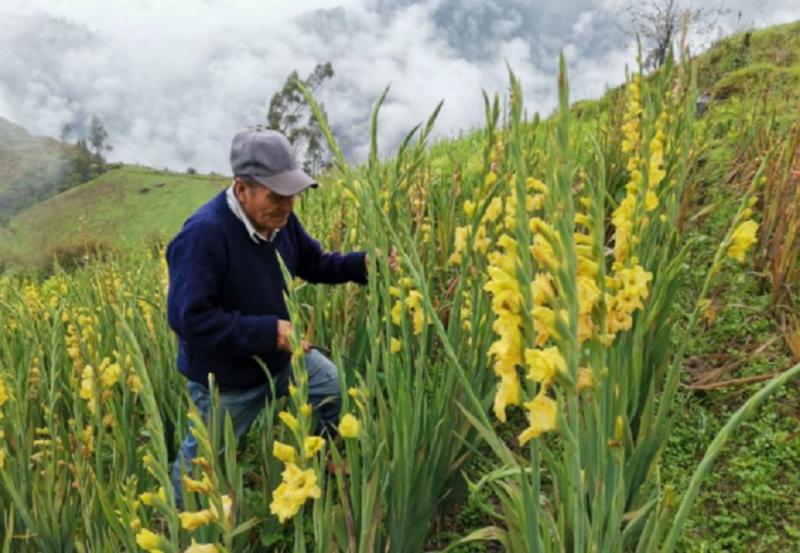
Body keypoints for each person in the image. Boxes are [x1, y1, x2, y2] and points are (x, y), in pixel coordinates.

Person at [166, 127, 392, 506]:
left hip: (280, 357)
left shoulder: (282, 221)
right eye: (276, 196)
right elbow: (189, 318)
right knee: (203, 464)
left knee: (328, 384)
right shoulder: (204, 235)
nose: (287, 206)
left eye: (292, 195)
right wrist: (269, 332)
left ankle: (319, 457)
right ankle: (177, 520)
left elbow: (316, 263)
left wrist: (364, 265)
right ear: (242, 189)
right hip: (226, 380)